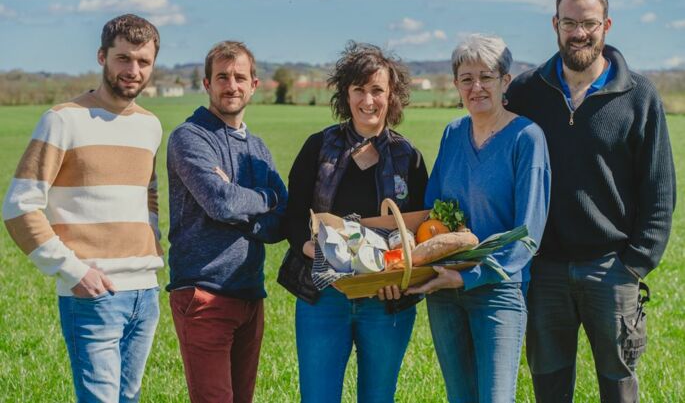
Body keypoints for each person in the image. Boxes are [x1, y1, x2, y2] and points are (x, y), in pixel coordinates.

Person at [506, 0, 677, 402]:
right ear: (555, 25)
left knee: (619, 392)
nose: (579, 32)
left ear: (607, 25)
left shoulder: (639, 96)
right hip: (544, 271)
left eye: (589, 23)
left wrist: (634, 265)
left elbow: (659, 191)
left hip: (611, 270)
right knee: (550, 389)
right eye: (569, 23)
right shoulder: (525, 93)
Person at [2, 14, 163, 402]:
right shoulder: (62, 120)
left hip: (145, 293)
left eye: (143, 62)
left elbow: (149, 195)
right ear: (101, 57)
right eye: (123, 58)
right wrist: (73, 271)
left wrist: (152, 245)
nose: (133, 70)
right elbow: (19, 206)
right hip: (93, 295)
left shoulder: (150, 124)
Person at [278, 41, 428, 403]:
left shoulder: (409, 157)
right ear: (346, 94)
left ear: (391, 96)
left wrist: (400, 277)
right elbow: (294, 213)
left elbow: (421, 229)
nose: (368, 101)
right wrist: (309, 247)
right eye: (359, 90)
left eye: (377, 90)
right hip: (324, 298)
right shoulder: (319, 147)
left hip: (385, 302)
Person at [406, 34, 551, 403]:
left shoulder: (527, 138)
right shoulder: (453, 134)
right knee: (460, 397)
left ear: (505, 81)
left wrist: (470, 275)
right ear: (455, 85)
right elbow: (434, 210)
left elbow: (528, 233)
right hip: (444, 288)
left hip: (498, 290)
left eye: (486, 76)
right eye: (466, 78)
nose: (476, 87)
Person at [166, 40, 287, 403]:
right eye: (222, 77)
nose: (231, 85)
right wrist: (264, 198)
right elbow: (220, 202)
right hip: (204, 294)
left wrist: (244, 207)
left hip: (250, 295)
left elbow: (283, 219)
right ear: (207, 84)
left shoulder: (258, 147)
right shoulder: (189, 138)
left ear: (254, 84)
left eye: (239, 77)